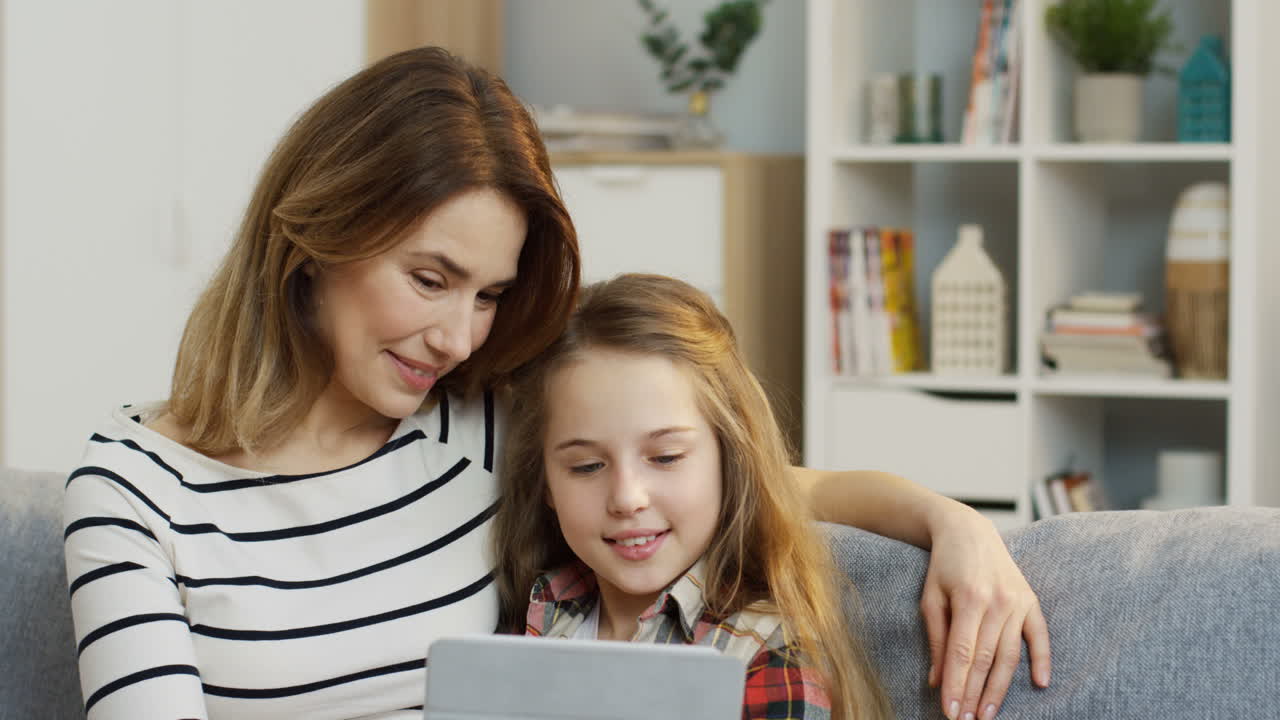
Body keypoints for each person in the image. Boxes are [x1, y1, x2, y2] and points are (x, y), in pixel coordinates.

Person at [63, 47, 1047, 720]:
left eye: (489, 295)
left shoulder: (483, 425)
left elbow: (754, 483)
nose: (457, 337)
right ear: (315, 235)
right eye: (430, 279)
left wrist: (953, 525)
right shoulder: (132, 490)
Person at [493, 273, 893, 719]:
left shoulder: (770, 653)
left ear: (729, 456)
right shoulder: (538, 607)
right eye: (587, 466)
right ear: (545, 483)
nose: (627, 498)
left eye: (665, 457)